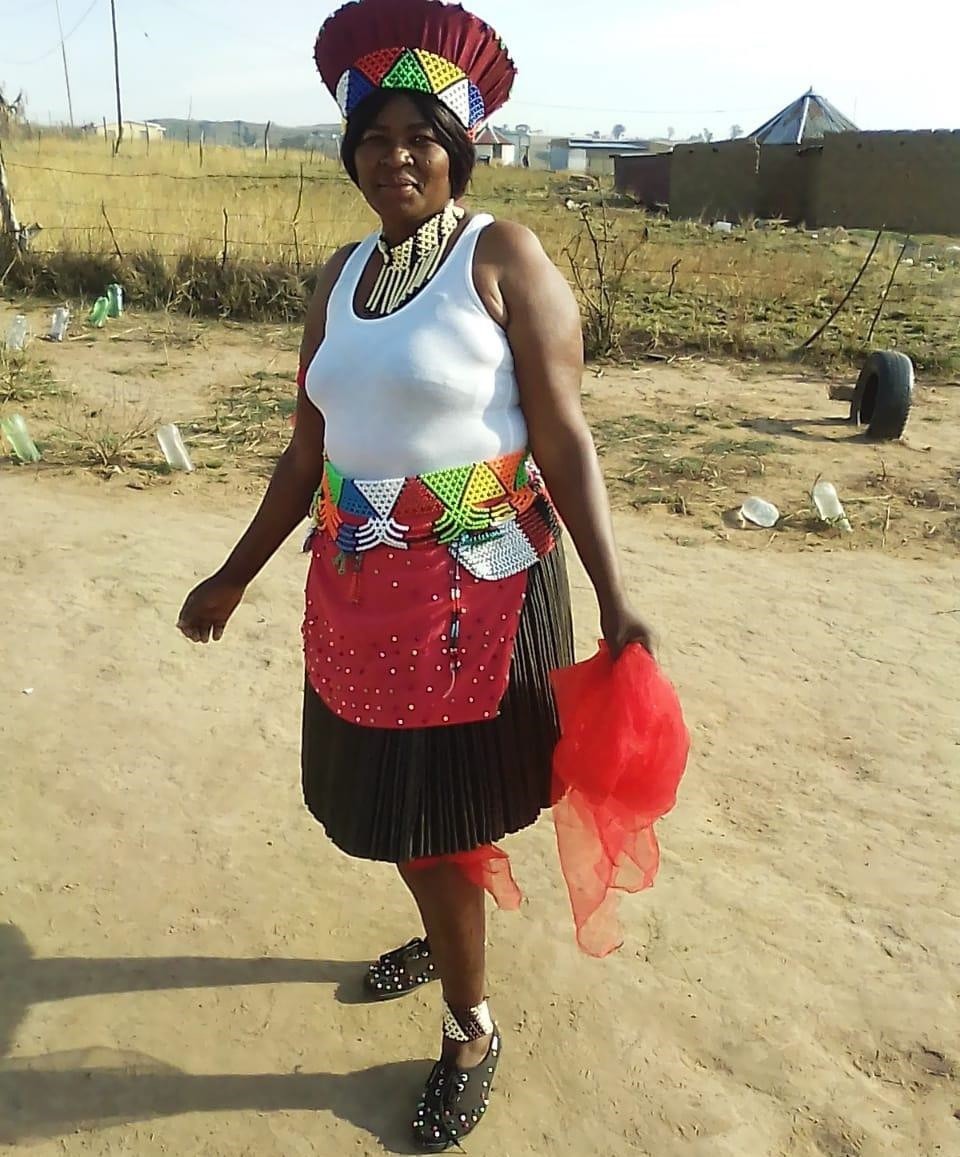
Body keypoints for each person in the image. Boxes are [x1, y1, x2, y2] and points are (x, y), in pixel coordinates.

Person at [177, 0, 653, 1149]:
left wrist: (617, 595)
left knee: (435, 817)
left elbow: (565, 435)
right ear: (352, 154)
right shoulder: (338, 277)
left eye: (421, 138)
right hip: (358, 589)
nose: (397, 156)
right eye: (376, 138)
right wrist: (234, 573)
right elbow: (309, 449)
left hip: (477, 594)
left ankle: (470, 1025)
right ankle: (449, 926)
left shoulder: (503, 255)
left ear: (458, 151)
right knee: (396, 804)